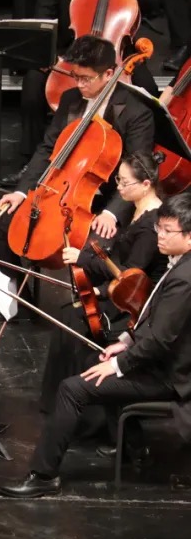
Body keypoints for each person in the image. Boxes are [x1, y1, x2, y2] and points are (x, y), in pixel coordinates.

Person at [0, 192, 191, 498]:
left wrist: (118, 364)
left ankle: (43, 475)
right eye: (160, 228)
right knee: (93, 362)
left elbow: (160, 339)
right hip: (161, 362)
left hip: (170, 376)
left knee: (73, 389)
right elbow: (157, 321)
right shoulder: (181, 265)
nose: (161, 235)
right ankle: (135, 449)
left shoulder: (185, 278)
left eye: (169, 231)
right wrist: (125, 341)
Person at [0, 36, 156, 321]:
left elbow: (140, 169)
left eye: (86, 78)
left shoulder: (136, 111)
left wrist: (112, 213)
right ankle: (20, 304)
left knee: (93, 250)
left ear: (109, 74)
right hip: (58, 195)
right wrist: (22, 192)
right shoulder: (71, 99)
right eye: (75, 77)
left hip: (103, 205)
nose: (79, 84)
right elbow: (48, 149)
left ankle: (92, 319)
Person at [38, 151, 169, 413]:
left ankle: (73, 403)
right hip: (121, 291)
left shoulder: (150, 226)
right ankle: (59, 401)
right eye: (118, 180)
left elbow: (128, 274)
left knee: (73, 319)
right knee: (68, 315)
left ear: (146, 185)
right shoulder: (136, 209)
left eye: (124, 182)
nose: (118, 187)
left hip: (132, 304)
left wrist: (86, 264)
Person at [2, 0, 158, 187]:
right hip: (73, 51)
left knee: (148, 88)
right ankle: (31, 163)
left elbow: (154, 3)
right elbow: (44, 16)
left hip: (117, 53)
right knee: (32, 84)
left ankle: (140, 164)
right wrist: (46, 52)